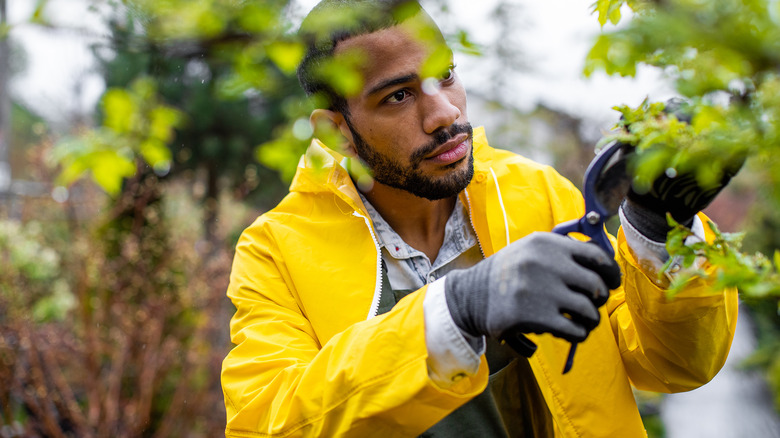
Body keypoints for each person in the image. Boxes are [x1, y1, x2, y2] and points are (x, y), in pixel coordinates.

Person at [220, 1, 739, 436]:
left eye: (445, 75)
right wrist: (457, 309)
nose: (444, 112)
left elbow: (672, 365)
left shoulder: (537, 192)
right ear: (336, 132)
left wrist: (657, 230)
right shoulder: (275, 250)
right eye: (398, 96)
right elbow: (267, 421)